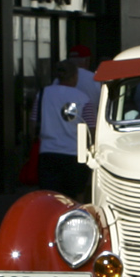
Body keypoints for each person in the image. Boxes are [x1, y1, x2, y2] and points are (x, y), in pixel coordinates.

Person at [34, 59, 87, 198]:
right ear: (75, 76)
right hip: (74, 153)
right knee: (72, 198)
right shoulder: (83, 98)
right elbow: (91, 127)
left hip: (47, 152)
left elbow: (33, 121)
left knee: (50, 197)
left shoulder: (43, 94)